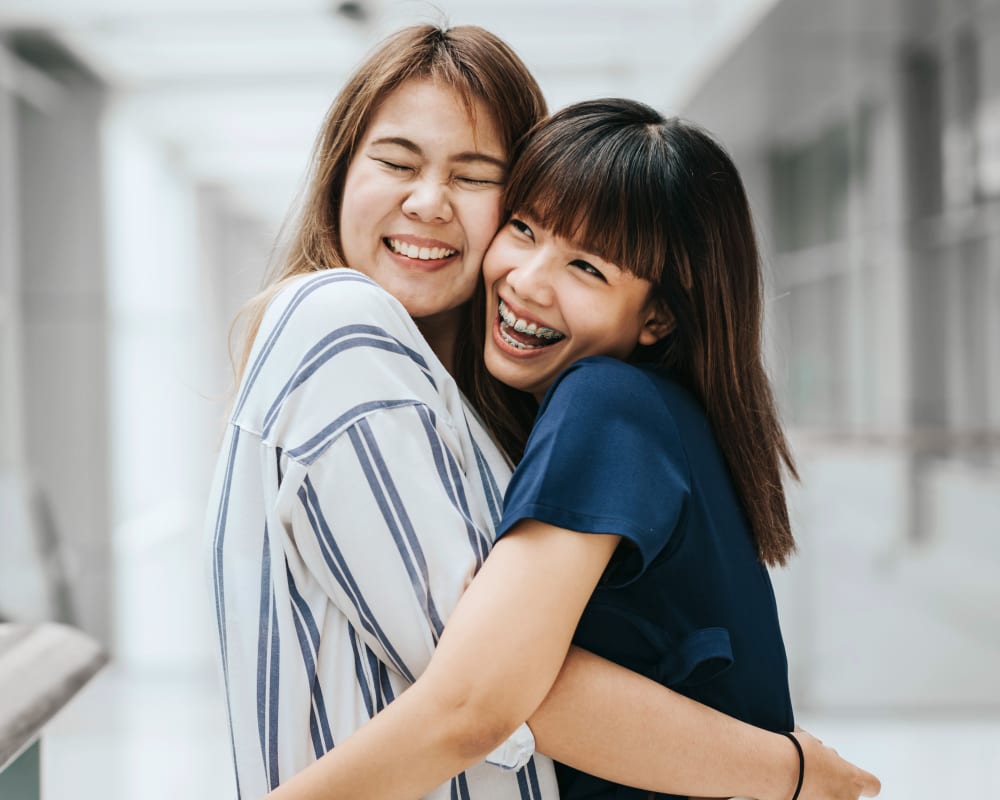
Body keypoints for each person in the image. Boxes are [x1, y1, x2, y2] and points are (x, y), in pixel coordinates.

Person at [207, 22, 879, 800]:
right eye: (526, 230)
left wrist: (795, 774)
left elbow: (476, 697)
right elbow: (485, 688)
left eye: (473, 175)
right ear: (339, 172)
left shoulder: (604, 403)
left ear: (657, 318)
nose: (527, 278)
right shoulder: (362, 332)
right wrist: (792, 771)